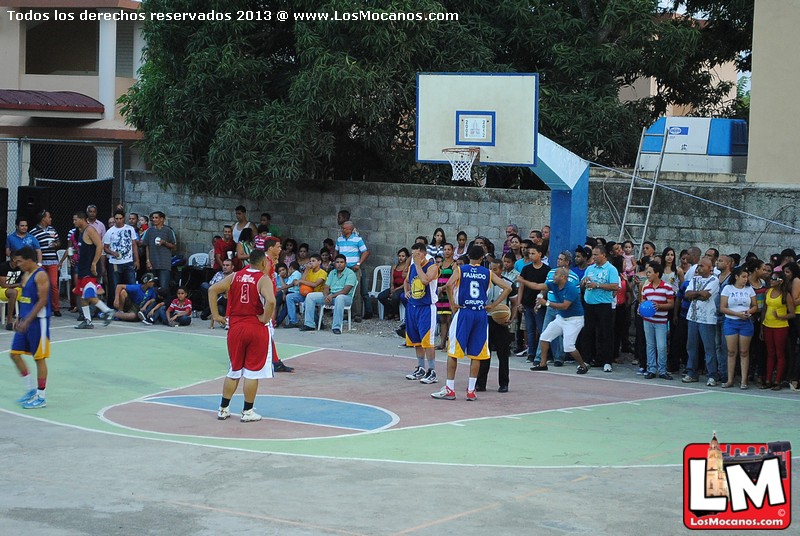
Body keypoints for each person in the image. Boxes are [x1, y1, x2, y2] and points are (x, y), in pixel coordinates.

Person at [432, 245, 511, 400]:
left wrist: (452, 304)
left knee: (453, 352)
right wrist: (493, 306)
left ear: (468, 256)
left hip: (464, 312)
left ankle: (450, 389)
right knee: (476, 354)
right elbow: (507, 287)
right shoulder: (488, 272)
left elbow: (448, 285)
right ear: (482, 258)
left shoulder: (461, 270)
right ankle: (471, 391)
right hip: (481, 314)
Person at [209, 248, 276, 422]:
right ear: (263, 262)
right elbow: (271, 301)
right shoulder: (263, 279)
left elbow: (212, 290)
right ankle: (247, 411)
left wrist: (216, 316)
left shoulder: (235, 275)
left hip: (236, 327)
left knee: (234, 370)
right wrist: (265, 318)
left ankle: (223, 408)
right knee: (252, 372)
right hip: (255, 327)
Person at [8, 246, 51, 409]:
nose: (17, 264)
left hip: (38, 322)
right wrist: (20, 318)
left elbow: (42, 301)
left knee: (39, 358)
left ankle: (41, 397)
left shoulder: (40, 275)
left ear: (29, 260)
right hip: (25, 320)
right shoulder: (25, 274)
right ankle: (30, 389)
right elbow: (24, 297)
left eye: (19, 261)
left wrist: (27, 320)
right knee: (14, 354)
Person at [530, 267, 590, 374]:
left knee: (568, 347)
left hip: (574, 320)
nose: (553, 276)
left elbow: (565, 306)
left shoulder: (571, 288)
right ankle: (543, 364)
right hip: (561, 318)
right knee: (544, 337)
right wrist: (522, 280)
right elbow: (537, 286)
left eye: (556, 274)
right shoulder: (553, 284)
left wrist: (546, 303)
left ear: (563, 277)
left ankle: (583, 365)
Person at [403, 243, 441, 384]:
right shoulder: (412, 267)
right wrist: (406, 291)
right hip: (413, 306)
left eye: (417, 254)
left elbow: (425, 280)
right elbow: (406, 280)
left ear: (424, 254)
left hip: (426, 307)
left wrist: (418, 265)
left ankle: (432, 371)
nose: (414, 257)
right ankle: (420, 367)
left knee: (427, 341)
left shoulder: (432, 267)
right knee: (416, 340)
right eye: (413, 255)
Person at [476, 258, 514, 392]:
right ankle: (481, 383)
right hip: (485, 319)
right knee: (484, 353)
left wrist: (511, 318)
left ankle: (504, 383)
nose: (492, 271)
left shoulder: (508, 283)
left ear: (501, 269)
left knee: (503, 354)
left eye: (495, 269)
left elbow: (514, 303)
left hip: (500, 321)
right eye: (490, 269)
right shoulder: (482, 282)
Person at [72, 211, 115, 329]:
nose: (74, 222)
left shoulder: (90, 230)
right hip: (83, 268)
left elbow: (99, 246)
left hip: (89, 269)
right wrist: (75, 253)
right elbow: (86, 249)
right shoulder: (81, 232)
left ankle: (107, 311)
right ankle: (87, 320)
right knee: (83, 296)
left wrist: (94, 263)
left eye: (75, 219)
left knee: (88, 295)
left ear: (82, 219)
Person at [681, 258, 721, 384]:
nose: (699, 268)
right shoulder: (694, 279)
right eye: (699, 266)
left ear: (710, 268)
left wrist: (695, 294)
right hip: (692, 316)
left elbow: (706, 296)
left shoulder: (714, 280)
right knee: (691, 346)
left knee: (709, 347)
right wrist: (698, 293)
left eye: (702, 266)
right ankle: (691, 372)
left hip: (707, 319)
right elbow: (687, 295)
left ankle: (712, 375)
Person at [580, 246, 620, 372]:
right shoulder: (590, 268)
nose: (594, 257)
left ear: (603, 255)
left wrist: (597, 285)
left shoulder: (611, 269)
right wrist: (584, 281)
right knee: (588, 333)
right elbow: (582, 284)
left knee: (605, 334)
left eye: (596, 254)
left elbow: (615, 286)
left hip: (603, 305)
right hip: (589, 304)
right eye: (593, 255)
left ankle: (607, 361)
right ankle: (586, 359)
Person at [299, 254, 357, 334]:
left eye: (341, 262)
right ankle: (309, 324)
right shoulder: (332, 273)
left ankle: (336, 327)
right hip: (331, 296)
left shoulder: (350, 273)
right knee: (310, 296)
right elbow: (326, 287)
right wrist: (326, 296)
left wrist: (331, 296)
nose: (339, 264)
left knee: (340, 298)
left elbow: (345, 291)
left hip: (345, 298)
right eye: (337, 262)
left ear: (345, 263)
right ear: (334, 263)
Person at [719, 266, 757, 389]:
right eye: (743, 277)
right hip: (731, 321)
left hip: (746, 323)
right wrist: (737, 314)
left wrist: (748, 312)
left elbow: (755, 306)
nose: (745, 279)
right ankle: (730, 380)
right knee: (731, 351)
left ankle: (744, 380)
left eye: (746, 277)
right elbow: (723, 307)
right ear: (736, 277)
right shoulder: (728, 289)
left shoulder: (749, 289)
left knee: (744, 352)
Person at [759, 269, 795, 390]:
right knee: (770, 353)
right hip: (767, 325)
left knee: (780, 353)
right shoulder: (768, 292)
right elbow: (764, 309)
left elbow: (792, 313)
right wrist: (761, 328)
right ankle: (768, 379)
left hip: (780, 327)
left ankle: (778, 380)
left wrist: (781, 317)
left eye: (774, 279)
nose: (771, 280)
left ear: (780, 281)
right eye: (771, 278)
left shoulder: (786, 295)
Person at [640, 261, 675, 380]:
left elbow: (671, 304)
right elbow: (643, 302)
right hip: (648, 320)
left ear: (657, 273)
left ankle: (662, 370)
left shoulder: (667, 287)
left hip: (661, 321)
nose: (647, 274)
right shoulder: (646, 288)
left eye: (649, 272)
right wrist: (642, 309)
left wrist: (659, 306)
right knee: (650, 344)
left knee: (661, 346)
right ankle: (651, 369)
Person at [515, 244, 550, 363]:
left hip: (539, 304)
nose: (531, 255)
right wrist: (519, 303)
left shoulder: (546, 269)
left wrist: (540, 300)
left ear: (540, 254)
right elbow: (521, 287)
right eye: (529, 253)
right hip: (527, 303)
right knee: (529, 329)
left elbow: (545, 288)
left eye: (533, 253)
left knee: (541, 329)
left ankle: (541, 354)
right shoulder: (526, 269)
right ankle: (531, 353)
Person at [336, 220, 372, 321]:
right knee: (342, 290)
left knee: (356, 291)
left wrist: (358, 263)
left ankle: (357, 315)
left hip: (354, 269)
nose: (342, 229)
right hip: (343, 269)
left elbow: (365, 252)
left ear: (350, 229)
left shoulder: (357, 239)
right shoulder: (339, 239)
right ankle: (346, 313)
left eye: (343, 228)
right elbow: (336, 251)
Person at [103, 209, 140, 304]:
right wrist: (112, 252)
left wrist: (137, 260)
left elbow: (134, 244)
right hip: (115, 262)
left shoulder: (130, 229)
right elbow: (105, 247)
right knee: (115, 286)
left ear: (124, 218)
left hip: (128, 261)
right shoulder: (109, 232)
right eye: (116, 218)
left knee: (131, 285)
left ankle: (132, 306)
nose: (118, 220)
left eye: (120, 218)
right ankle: (114, 306)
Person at [29, 210, 62, 317]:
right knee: (41, 285)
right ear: (43, 219)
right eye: (49, 217)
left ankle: (56, 307)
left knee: (53, 284)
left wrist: (55, 244)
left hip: (52, 261)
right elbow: (31, 247)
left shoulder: (52, 230)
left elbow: (59, 242)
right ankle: (41, 306)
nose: (50, 219)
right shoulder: (33, 232)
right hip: (41, 262)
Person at [285, 254, 327, 328]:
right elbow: (302, 282)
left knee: (309, 299)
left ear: (319, 262)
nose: (311, 263)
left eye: (313, 261)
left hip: (317, 295)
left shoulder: (322, 273)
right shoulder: (309, 271)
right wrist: (306, 270)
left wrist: (301, 281)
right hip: (305, 293)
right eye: (310, 261)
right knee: (289, 297)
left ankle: (316, 322)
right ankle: (293, 321)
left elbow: (315, 284)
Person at [143, 211, 177, 291]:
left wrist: (164, 242)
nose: (154, 219)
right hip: (152, 263)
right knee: (151, 287)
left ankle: (163, 303)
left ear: (162, 219)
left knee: (163, 288)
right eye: (153, 218)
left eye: (156, 218)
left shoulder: (168, 231)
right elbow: (147, 245)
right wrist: (148, 260)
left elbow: (174, 246)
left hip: (164, 264)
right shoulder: (149, 231)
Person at [378, 248, 410, 320]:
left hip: (402, 287)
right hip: (394, 286)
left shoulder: (407, 268)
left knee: (395, 297)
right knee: (381, 296)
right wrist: (392, 287)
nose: (401, 258)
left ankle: (396, 313)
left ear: (406, 257)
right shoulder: (394, 267)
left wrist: (396, 289)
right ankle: (391, 311)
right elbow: (392, 278)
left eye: (403, 256)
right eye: (399, 256)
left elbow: (406, 281)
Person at [435, 243, 456, 350]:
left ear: (453, 251)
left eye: (449, 249)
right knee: (442, 320)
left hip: (449, 294)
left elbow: (453, 281)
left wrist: (442, 288)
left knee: (449, 320)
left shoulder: (454, 264)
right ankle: (442, 343)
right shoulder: (440, 264)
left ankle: (450, 344)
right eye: (445, 249)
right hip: (440, 295)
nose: (447, 251)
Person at [1, 257, 21, 330]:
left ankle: (27, 319)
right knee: (13, 292)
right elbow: (3, 285)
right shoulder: (3, 266)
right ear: (13, 260)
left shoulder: (21, 267)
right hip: (2, 289)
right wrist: (18, 285)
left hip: (15, 288)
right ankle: (9, 322)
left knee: (31, 289)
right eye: (19, 260)